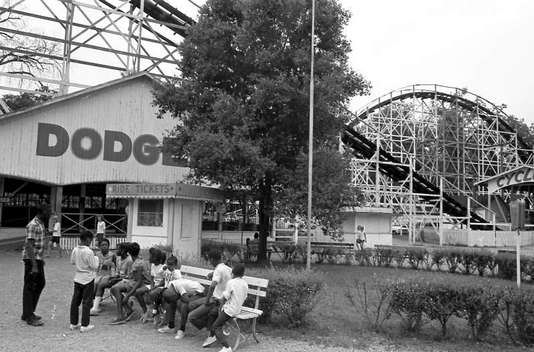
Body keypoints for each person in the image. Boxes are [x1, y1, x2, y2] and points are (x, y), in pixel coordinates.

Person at [189, 248, 232, 348]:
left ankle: (212, 330)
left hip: (215, 301)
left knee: (191, 316)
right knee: (192, 304)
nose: (209, 262)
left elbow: (212, 285)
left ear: (213, 259)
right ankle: (212, 328)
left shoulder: (218, 270)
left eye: (209, 260)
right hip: (224, 300)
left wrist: (207, 300)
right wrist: (212, 273)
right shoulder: (227, 268)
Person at [109, 242, 150, 324]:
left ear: (128, 252)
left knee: (115, 288)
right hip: (134, 281)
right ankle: (128, 310)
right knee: (113, 289)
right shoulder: (137, 260)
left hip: (142, 284)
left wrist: (128, 295)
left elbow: (139, 281)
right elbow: (134, 277)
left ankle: (120, 316)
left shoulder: (137, 264)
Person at [211, 263, 248, 352]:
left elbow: (224, 298)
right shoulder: (245, 283)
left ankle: (227, 347)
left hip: (230, 310)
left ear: (232, 273)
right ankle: (222, 332)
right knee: (217, 317)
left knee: (215, 327)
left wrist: (220, 308)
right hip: (238, 309)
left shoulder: (231, 282)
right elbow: (245, 297)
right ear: (243, 274)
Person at [21, 207, 48, 326]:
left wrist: (41, 260)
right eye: (48, 211)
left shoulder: (41, 224)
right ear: (41, 212)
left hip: (37, 259)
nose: (50, 214)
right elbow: (29, 246)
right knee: (30, 286)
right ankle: (29, 316)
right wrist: (34, 265)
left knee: (40, 283)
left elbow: (39, 243)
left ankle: (28, 312)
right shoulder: (33, 225)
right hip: (31, 259)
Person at [69, 230, 99, 332]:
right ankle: (84, 325)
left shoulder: (75, 249)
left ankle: (73, 323)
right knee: (86, 302)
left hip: (78, 277)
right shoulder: (89, 251)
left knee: (75, 301)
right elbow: (94, 266)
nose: (91, 242)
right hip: (88, 278)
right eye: (91, 240)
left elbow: (72, 262)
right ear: (87, 239)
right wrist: (96, 258)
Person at [147, 255, 181, 326]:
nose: (170, 266)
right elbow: (158, 274)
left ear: (175, 265)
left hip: (172, 290)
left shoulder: (177, 272)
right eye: (168, 264)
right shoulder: (166, 270)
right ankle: (157, 315)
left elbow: (179, 281)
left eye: (172, 265)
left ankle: (163, 318)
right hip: (164, 288)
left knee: (162, 297)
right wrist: (163, 268)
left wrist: (173, 271)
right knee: (152, 294)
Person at [137, 247, 166, 322]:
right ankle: (146, 311)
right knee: (138, 292)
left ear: (155, 257)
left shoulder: (163, 267)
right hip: (154, 285)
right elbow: (152, 278)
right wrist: (152, 286)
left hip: (161, 286)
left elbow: (164, 281)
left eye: (150, 256)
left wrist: (155, 287)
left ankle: (156, 314)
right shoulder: (153, 265)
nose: (149, 257)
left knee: (152, 294)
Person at [90, 238, 117, 315]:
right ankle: (93, 301)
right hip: (98, 274)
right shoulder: (97, 254)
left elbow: (115, 267)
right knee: (93, 283)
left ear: (109, 246)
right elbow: (94, 266)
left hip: (108, 274)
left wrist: (112, 275)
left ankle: (96, 304)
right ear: (99, 246)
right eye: (102, 245)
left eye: (106, 245)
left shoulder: (112, 255)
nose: (104, 246)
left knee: (99, 283)